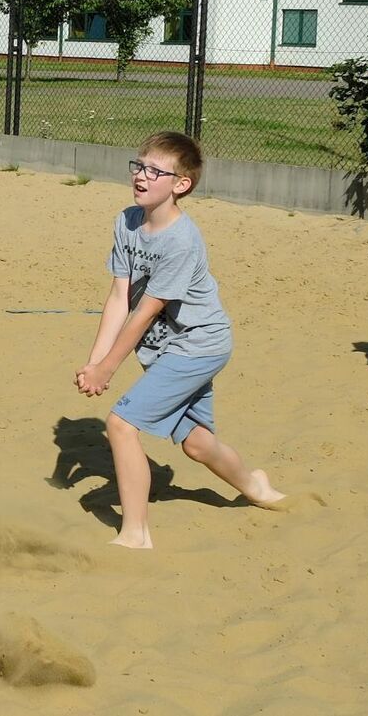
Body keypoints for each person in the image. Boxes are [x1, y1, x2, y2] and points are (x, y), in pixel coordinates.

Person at [75, 132, 285, 550]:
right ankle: (256, 487)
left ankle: (135, 533)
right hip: (163, 348)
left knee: (120, 424)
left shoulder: (181, 240)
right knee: (197, 444)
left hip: (198, 345)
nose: (141, 176)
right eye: (138, 165)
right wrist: (94, 361)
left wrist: (108, 369)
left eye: (155, 171)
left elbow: (147, 309)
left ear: (180, 185)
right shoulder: (127, 221)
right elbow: (120, 295)